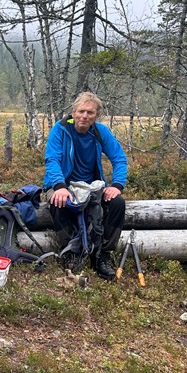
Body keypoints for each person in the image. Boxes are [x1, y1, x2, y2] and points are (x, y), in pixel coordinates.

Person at [43, 91, 127, 280]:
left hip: (92, 186)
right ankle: (72, 252)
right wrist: (59, 186)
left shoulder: (100, 132)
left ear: (96, 115)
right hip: (62, 183)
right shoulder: (60, 129)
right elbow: (52, 159)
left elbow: (119, 159)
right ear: (73, 112)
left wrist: (117, 185)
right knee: (58, 202)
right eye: (81, 111)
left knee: (117, 204)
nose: (84, 116)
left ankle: (103, 255)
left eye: (90, 112)